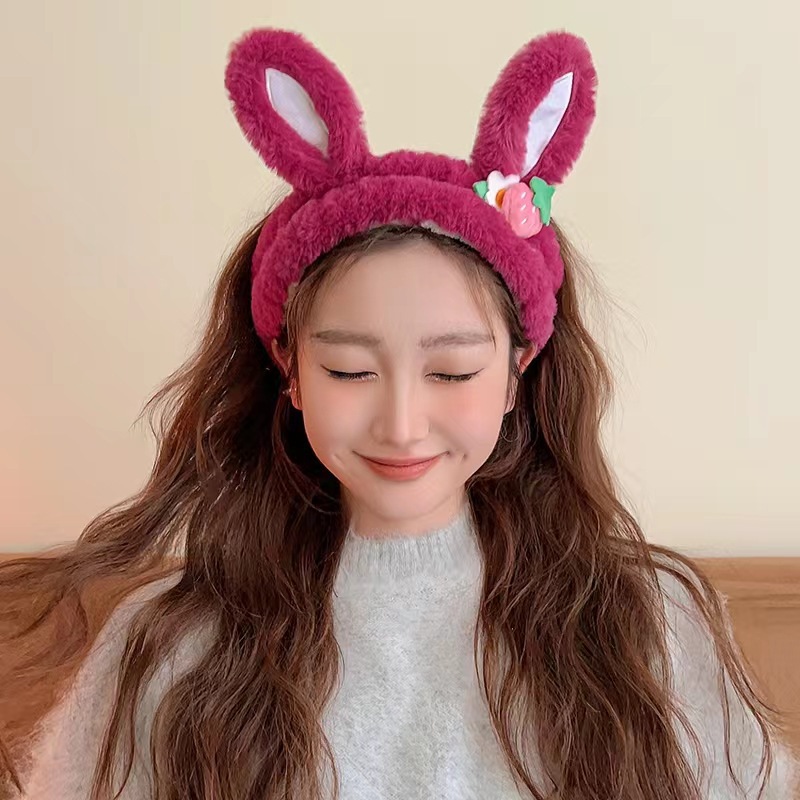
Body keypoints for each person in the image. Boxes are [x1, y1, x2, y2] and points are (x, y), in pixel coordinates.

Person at [0, 26, 796, 800]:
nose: (403, 423)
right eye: (350, 370)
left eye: (452, 371)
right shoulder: (172, 644)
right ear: (290, 369)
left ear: (517, 373)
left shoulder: (646, 625)